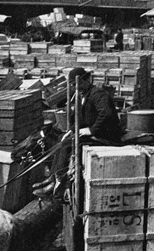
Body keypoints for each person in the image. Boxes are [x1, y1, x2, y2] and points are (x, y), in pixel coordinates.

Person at [32, 67, 123, 198]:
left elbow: (106, 115)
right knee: (61, 140)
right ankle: (52, 177)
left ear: (85, 80)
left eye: (76, 84)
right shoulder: (83, 96)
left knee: (68, 144)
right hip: (94, 133)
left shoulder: (98, 95)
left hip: (106, 135)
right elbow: (80, 119)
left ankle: (58, 183)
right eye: (73, 85)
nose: (75, 87)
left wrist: (91, 130)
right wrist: (71, 130)